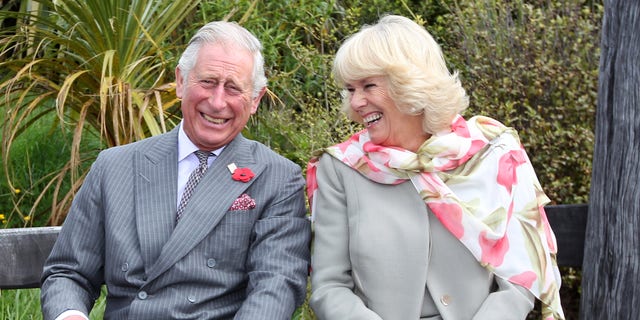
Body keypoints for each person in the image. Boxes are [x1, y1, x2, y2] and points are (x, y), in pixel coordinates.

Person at [41, 21, 311, 320]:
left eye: (233, 88)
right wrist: (70, 315)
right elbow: (68, 272)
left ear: (256, 100)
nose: (217, 101)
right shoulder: (114, 167)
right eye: (208, 82)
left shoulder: (277, 177)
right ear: (181, 81)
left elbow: (276, 284)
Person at [306, 15, 564, 320]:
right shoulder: (341, 168)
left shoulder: (494, 151)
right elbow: (330, 286)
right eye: (350, 89)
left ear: (409, 84)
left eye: (368, 86)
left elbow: (521, 276)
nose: (357, 102)